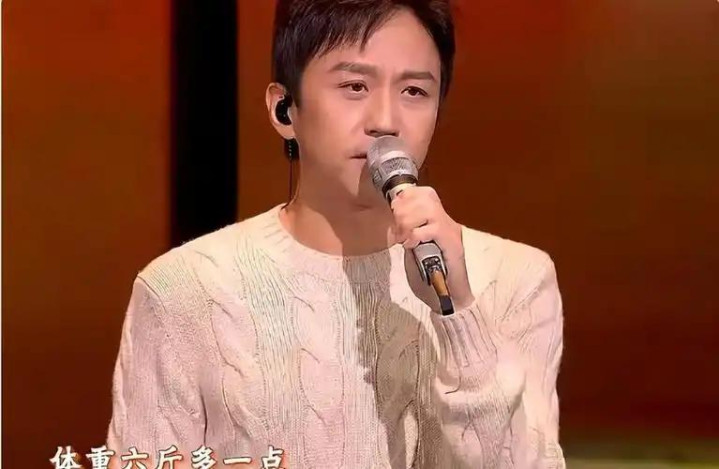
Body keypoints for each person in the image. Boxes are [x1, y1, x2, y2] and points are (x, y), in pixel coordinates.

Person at [107, 0, 566, 467]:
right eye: (354, 86)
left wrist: (459, 311)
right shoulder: (184, 289)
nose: (385, 121)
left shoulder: (517, 280)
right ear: (285, 109)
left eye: (414, 91)